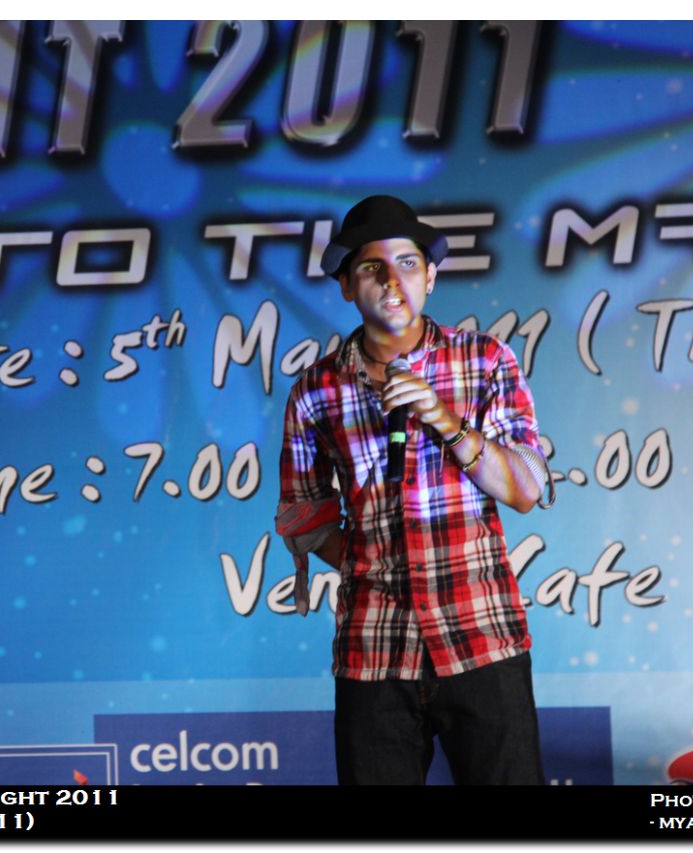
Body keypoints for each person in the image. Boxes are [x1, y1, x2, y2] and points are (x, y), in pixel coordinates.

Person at [276, 195, 554, 785]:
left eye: (407, 263)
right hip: (373, 650)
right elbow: (303, 514)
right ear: (346, 286)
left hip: (481, 637)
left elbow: (526, 489)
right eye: (371, 267)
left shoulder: (485, 360)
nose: (391, 280)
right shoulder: (315, 390)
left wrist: (445, 420)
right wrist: (369, 562)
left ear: (430, 277)